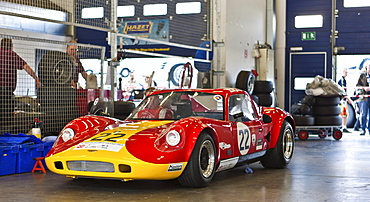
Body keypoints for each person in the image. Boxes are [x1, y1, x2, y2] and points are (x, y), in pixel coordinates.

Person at [0, 38, 42, 127]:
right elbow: (26, 67)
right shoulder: (12, 55)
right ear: (11, 46)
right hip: (6, 92)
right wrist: (37, 79)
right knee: (6, 118)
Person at [356, 65, 370, 135]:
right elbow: (358, 85)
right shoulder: (363, 76)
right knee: (364, 114)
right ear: (367, 68)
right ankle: (363, 129)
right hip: (364, 97)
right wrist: (364, 88)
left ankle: (369, 129)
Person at [337, 68, 351, 133]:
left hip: (343, 99)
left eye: (347, 72)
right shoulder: (342, 80)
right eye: (346, 72)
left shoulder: (344, 80)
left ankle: (344, 126)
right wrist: (348, 98)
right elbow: (342, 91)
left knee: (345, 114)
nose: (347, 74)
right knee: (343, 114)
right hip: (342, 100)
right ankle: (343, 126)